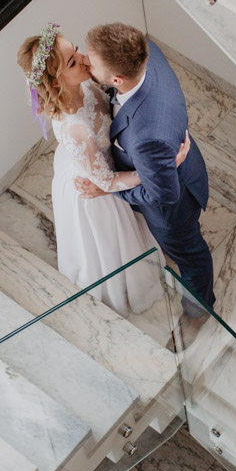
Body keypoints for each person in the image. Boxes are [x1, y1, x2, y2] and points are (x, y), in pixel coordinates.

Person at [17, 24, 190, 317]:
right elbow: (106, 180)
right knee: (117, 245)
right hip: (96, 183)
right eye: (73, 61)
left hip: (101, 161)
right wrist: (162, 168)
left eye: (76, 49)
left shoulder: (88, 80)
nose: (85, 58)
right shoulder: (74, 129)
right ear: (57, 83)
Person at [80, 23, 214, 347]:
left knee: (190, 254)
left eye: (92, 62)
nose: (86, 61)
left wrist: (110, 186)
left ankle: (199, 312)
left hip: (172, 207)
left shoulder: (146, 136)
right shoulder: (146, 51)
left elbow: (163, 193)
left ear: (116, 79)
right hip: (166, 159)